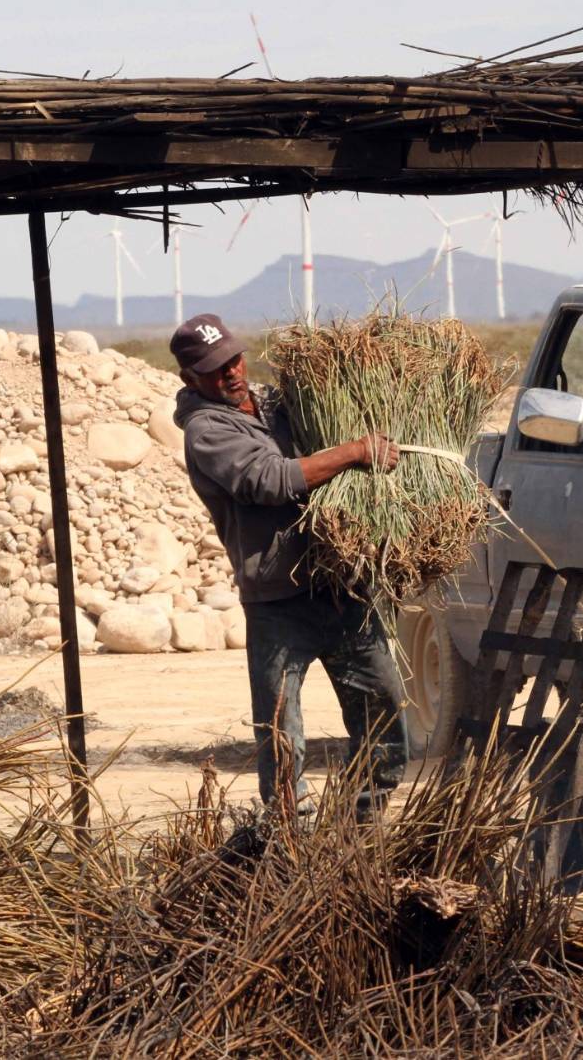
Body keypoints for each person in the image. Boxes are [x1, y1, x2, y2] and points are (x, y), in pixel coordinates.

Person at [171, 313, 408, 818]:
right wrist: (354, 452)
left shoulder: (277, 402)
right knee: (283, 739)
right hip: (278, 600)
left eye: (233, 359)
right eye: (215, 370)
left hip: (341, 585)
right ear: (189, 379)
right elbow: (270, 479)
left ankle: (359, 829)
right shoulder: (205, 430)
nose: (231, 373)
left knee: (383, 715)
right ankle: (292, 847)